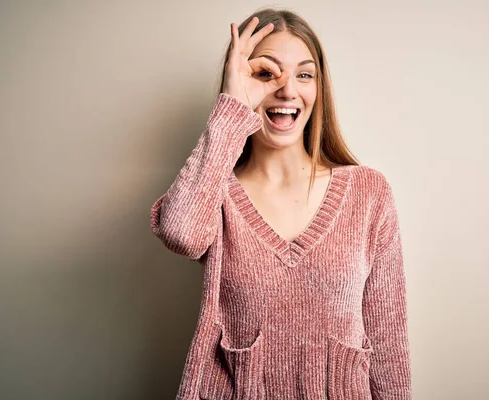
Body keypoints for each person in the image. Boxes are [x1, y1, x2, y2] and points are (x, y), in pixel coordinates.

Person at [150, 7, 412, 400]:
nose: (288, 90)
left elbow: (388, 344)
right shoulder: (215, 193)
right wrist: (231, 109)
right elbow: (179, 233)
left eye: (304, 74)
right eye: (266, 73)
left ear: (319, 89)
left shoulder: (368, 193)